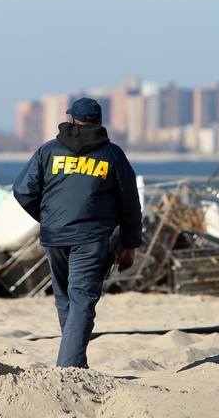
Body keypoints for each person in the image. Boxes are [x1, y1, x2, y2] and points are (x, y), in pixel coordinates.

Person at [12, 97, 142, 368]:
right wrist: (129, 244)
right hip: (92, 237)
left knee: (66, 298)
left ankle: (74, 364)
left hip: (55, 235)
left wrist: (49, 218)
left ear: (71, 119)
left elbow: (23, 190)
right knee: (81, 300)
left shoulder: (48, 151)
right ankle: (70, 367)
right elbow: (129, 203)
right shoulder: (112, 155)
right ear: (99, 121)